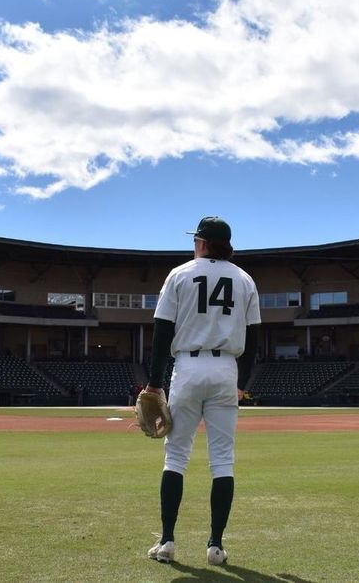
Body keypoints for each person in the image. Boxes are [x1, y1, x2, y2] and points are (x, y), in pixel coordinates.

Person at [145, 217, 260, 567]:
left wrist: (154, 382)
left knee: (175, 457)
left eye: (196, 240)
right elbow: (254, 338)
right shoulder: (245, 279)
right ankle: (215, 546)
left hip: (188, 367)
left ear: (202, 242)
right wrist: (242, 384)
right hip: (226, 369)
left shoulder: (179, 274)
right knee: (222, 460)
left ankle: (167, 541)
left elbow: (162, 331)